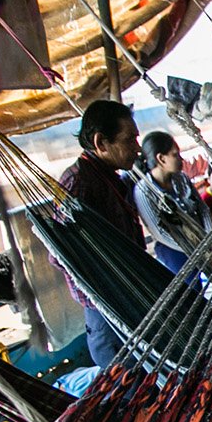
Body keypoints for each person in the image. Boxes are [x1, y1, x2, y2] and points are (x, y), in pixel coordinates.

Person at [58, 101, 143, 367]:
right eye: (130, 140)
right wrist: (107, 299)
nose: (137, 148)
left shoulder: (110, 178)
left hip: (127, 300)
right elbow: (65, 256)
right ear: (101, 143)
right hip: (108, 313)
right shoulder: (79, 185)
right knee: (132, 390)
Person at [133, 131, 211, 274]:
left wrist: (210, 235)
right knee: (190, 286)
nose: (181, 159)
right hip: (173, 246)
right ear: (161, 159)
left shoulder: (181, 178)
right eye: (175, 155)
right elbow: (160, 232)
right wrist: (196, 248)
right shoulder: (143, 191)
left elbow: (203, 209)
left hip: (202, 238)